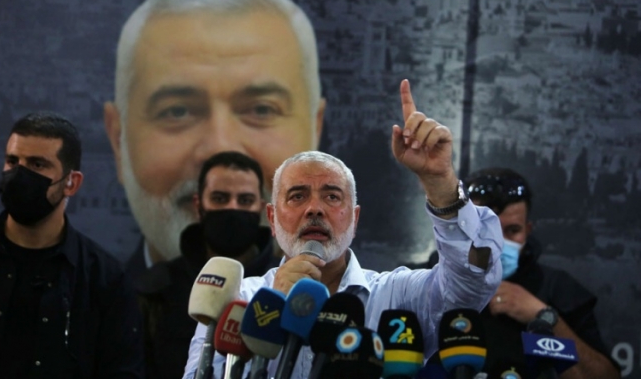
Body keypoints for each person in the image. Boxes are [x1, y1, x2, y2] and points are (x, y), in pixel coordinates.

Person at [183, 79, 504, 379]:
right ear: (272, 218)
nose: (315, 209)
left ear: (355, 218)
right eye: (297, 196)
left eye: (332, 196)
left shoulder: (398, 298)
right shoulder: (239, 301)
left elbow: (470, 286)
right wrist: (270, 312)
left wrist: (440, 182)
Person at [103, 0, 325, 273]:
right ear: (118, 141)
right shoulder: (99, 299)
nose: (221, 148)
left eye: (261, 109)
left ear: (315, 131)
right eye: (177, 111)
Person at [0, 113, 144, 378]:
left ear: (71, 183)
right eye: (12, 161)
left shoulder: (104, 280)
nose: (19, 174)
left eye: (37, 164)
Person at [425, 167, 619, 378]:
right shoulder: (421, 283)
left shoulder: (558, 289)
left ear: (527, 230)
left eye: (512, 230)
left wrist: (544, 317)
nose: (498, 242)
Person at [136, 151, 280, 379]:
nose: (233, 208)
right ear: (198, 204)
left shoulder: (280, 287)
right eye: (220, 199)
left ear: (261, 208)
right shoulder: (155, 291)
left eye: (245, 200)